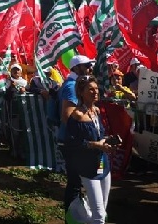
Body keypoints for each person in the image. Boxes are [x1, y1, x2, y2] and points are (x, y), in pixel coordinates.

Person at [66, 75, 115, 224]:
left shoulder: (97, 111)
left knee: (102, 211)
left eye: (96, 89)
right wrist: (95, 145)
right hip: (87, 168)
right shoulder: (77, 115)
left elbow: (98, 134)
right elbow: (73, 143)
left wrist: (107, 140)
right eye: (90, 89)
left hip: (103, 164)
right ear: (81, 92)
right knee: (99, 215)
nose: (95, 92)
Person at [56, 55, 95, 212]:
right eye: (86, 66)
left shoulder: (72, 84)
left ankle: (73, 216)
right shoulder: (72, 86)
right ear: (76, 68)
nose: (90, 69)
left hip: (73, 140)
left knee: (76, 181)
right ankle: (71, 217)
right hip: (72, 141)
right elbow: (67, 116)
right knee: (75, 182)